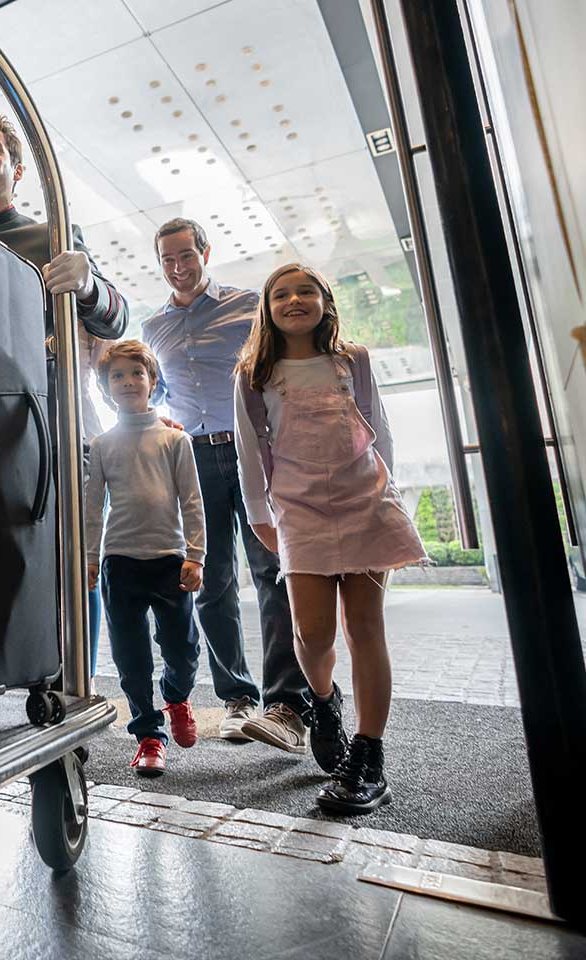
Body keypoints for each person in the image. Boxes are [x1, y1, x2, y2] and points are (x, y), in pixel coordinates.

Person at [233, 263, 429, 813]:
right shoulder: (255, 374)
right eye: (281, 294)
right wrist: (259, 517)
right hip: (298, 512)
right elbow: (252, 454)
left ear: (326, 301)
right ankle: (324, 701)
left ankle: (369, 756)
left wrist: (382, 492)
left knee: (365, 627)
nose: (294, 300)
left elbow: (379, 430)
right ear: (267, 309)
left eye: (306, 290)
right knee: (312, 634)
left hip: (365, 502)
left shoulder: (354, 360)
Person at [0, 112, 127, 674]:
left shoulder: (51, 236)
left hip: (41, 423)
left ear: (17, 169)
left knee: (62, 559)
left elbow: (116, 321)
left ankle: (74, 680)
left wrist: (90, 283)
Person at [141, 218, 320, 761]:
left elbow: (274, 372)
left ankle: (285, 700)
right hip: (194, 455)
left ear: (204, 251)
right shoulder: (154, 328)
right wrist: (161, 421)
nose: (177, 266)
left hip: (253, 451)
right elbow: (156, 391)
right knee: (211, 580)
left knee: (272, 572)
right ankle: (237, 698)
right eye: (167, 259)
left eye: (185, 255)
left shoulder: (247, 305)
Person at [83, 341, 204, 776]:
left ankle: (176, 696)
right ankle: (149, 736)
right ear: (105, 387)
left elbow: (192, 502)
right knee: (131, 658)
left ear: (152, 381)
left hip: (170, 560)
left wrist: (197, 555)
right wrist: (91, 559)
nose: (128, 381)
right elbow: (93, 506)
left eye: (137, 373)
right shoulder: (101, 445)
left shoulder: (175, 440)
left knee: (183, 649)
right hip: (120, 562)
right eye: (117, 376)